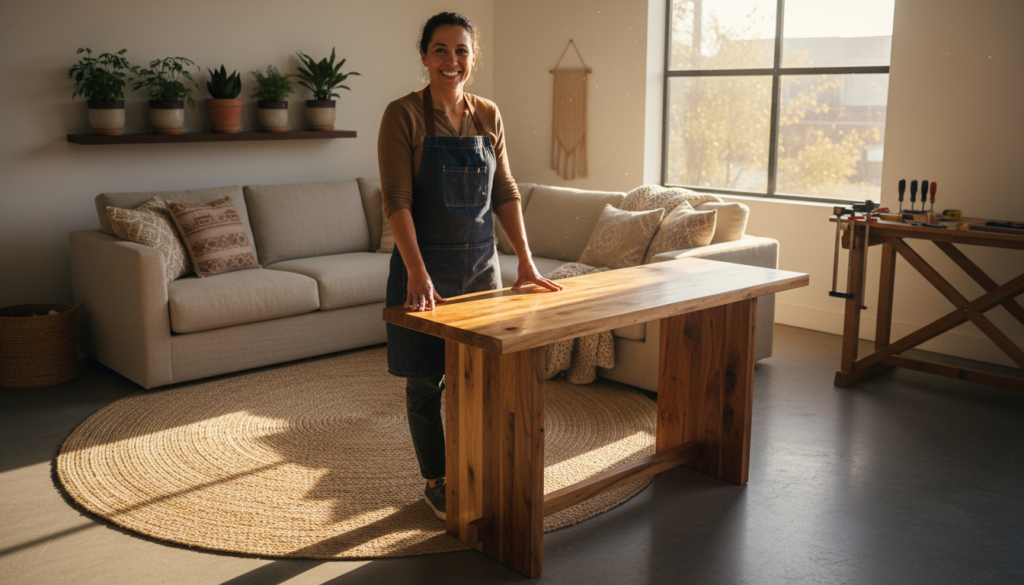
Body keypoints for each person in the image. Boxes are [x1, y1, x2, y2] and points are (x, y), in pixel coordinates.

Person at [378, 11, 563, 520]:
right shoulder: (403, 115)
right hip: (423, 271)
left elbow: (504, 191)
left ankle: (478, 467)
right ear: (423, 56)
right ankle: (437, 481)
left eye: (461, 50)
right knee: (425, 382)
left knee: (482, 379)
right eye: (440, 49)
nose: (451, 60)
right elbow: (396, 199)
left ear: (472, 57)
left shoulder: (488, 115)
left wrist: (524, 260)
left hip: (483, 272)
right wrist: (416, 271)